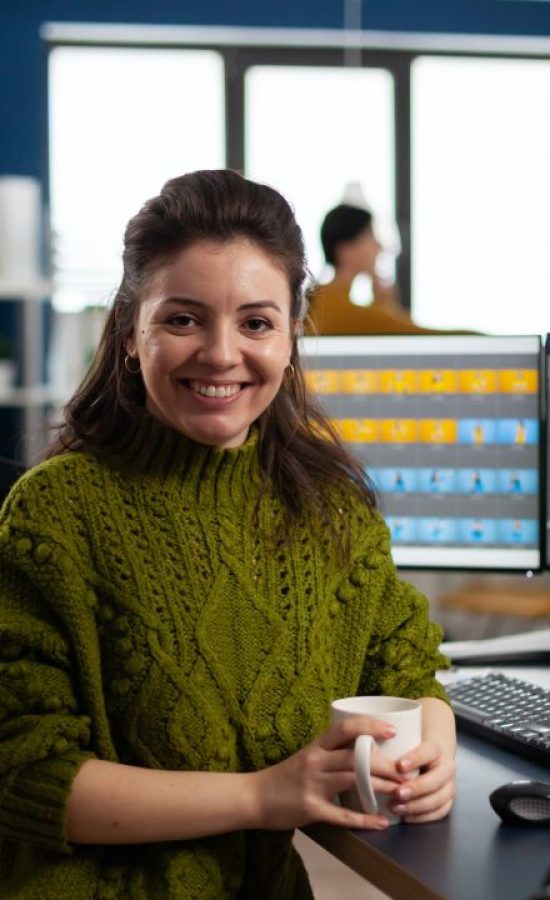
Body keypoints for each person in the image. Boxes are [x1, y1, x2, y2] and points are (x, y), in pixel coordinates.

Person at [0, 170, 456, 900]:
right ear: (128, 334)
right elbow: (25, 774)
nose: (220, 353)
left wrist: (437, 743)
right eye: (182, 319)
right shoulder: (55, 514)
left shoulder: (328, 504)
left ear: (290, 335)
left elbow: (405, 669)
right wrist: (264, 796)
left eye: (255, 322)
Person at [310, 202, 474, 336]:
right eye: (370, 237)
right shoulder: (332, 307)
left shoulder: (321, 299)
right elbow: (413, 335)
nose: (379, 246)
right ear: (345, 250)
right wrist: (385, 305)